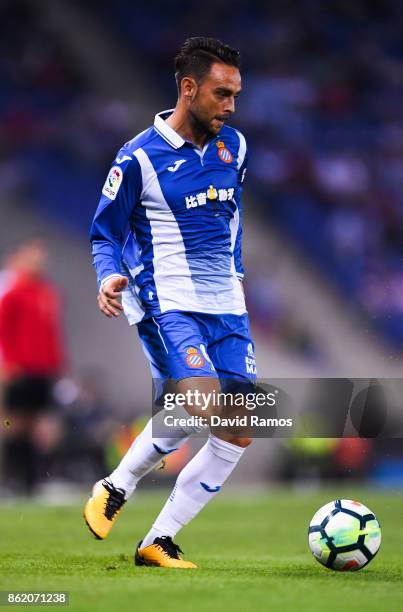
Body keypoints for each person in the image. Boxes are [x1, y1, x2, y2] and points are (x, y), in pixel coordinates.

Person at [85, 37, 256, 568]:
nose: (230, 106)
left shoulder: (236, 148)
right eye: (221, 93)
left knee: (241, 425)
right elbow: (103, 233)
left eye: (235, 94)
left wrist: (237, 273)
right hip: (169, 301)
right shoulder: (138, 158)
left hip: (227, 303)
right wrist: (110, 276)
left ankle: (154, 537)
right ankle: (121, 482)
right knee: (203, 401)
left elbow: (232, 220)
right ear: (188, 88)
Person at [0, 237, 65, 495]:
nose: (38, 261)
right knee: (16, 424)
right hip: (20, 368)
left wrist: (58, 364)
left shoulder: (47, 292)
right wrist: (7, 363)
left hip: (44, 369)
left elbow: (53, 333)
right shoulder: (13, 291)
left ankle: (35, 481)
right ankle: (14, 480)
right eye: (32, 256)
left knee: (42, 427)